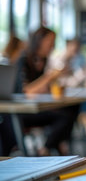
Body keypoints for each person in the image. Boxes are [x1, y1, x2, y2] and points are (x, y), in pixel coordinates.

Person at [13, 27, 79, 156]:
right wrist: (50, 76)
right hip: (22, 112)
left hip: (38, 108)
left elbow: (43, 89)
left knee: (72, 108)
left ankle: (54, 145)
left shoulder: (44, 60)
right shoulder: (23, 60)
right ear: (39, 41)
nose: (52, 46)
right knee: (64, 116)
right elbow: (27, 91)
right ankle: (48, 149)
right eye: (50, 41)